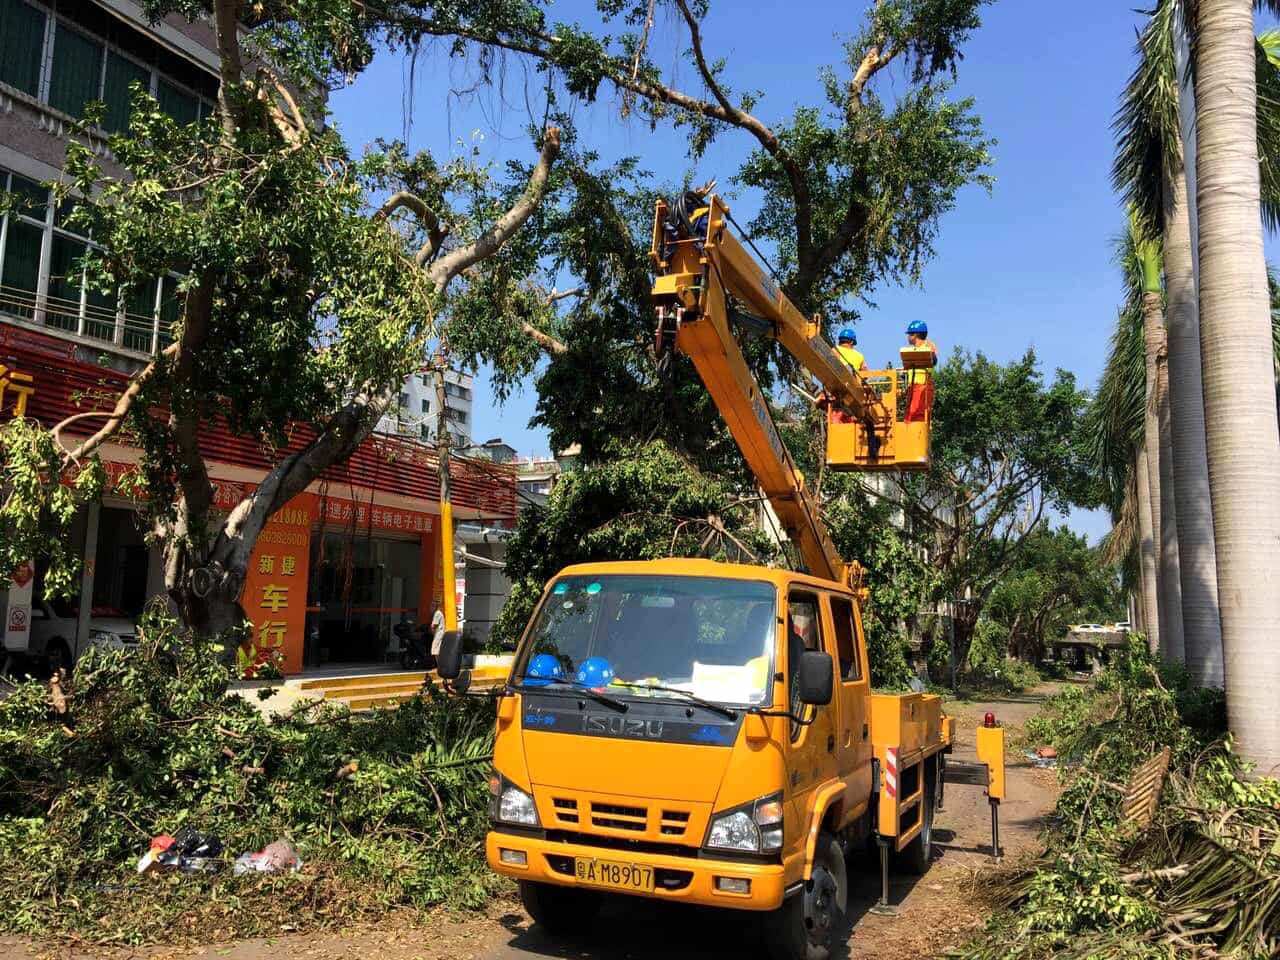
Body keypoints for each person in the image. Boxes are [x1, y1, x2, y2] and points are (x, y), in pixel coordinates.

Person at [903, 320, 938, 423]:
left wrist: (930, 352)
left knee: (918, 415)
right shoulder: (912, 350)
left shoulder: (928, 346)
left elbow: (934, 360)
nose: (908, 337)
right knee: (909, 416)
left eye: (909, 334)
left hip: (922, 385)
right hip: (912, 387)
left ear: (916, 335)